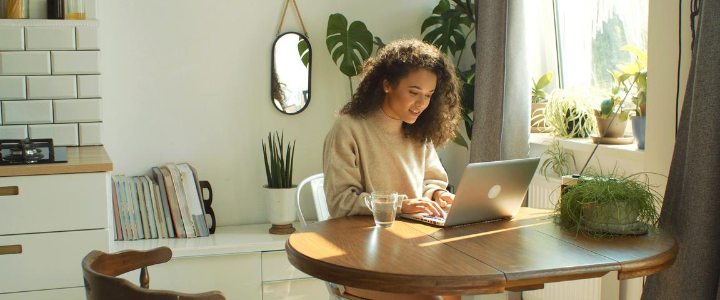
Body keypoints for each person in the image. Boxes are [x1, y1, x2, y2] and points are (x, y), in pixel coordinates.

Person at [323, 39, 463, 300]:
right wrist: (400, 205)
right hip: (360, 259)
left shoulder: (419, 131)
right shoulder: (349, 129)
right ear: (387, 85)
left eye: (429, 95)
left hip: (411, 250)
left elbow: (431, 180)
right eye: (414, 92)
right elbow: (340, 202)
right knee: (435, 297)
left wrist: (437, 195)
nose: (422, 103)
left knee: (454, 289)